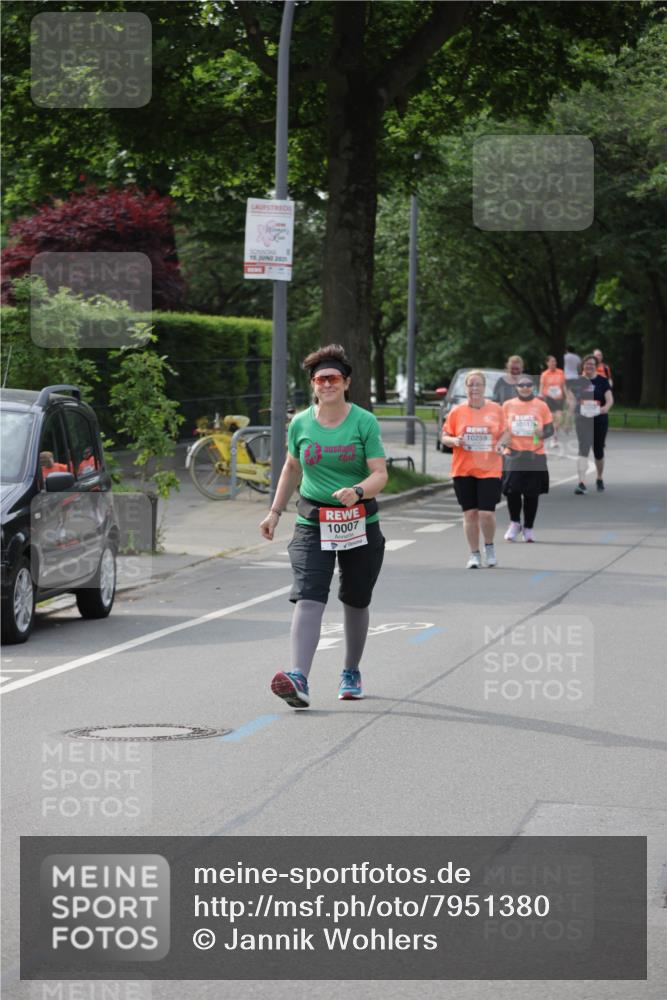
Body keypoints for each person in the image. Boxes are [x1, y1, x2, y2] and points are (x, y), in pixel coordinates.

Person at [259, 344, 388, 708]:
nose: (326, 385)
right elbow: (291, 467)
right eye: (320, 379)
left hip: (359, 520)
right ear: (313, 385)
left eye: (333, 378)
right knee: (309, 592)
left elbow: (381, 473)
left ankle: (351, 670)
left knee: (355, 599)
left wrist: (359, 490)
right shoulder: (301, 423)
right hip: (313, 520)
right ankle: (298, 676)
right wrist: (274, 512)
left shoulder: (364, 422)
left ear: (346, 383)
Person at [441, 370, 505, 568]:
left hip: (490, 468)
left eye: (478, 384)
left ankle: (489, 546)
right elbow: (444, 437)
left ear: (485, 388)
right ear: (466, 388)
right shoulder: (457, 412)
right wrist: (455, 440)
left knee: (486, 513)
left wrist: (502, 443)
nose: (474, 388)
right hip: (463, 469)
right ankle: (474, 554)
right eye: (471, 385)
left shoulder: (496, 409)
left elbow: (507, 433)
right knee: (470, 514)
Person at [498, 376, 554, 542]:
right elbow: (500, 428)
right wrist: (502, 439)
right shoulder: (508, 405)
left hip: (535, 453)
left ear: (533, 387)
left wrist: (542, 433)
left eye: (528, 385)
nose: (525, 387)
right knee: (512, 490)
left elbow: (550, 429)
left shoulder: (541, 405)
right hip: (513, 453)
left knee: (532, 493)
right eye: (521, 385)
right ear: (516, 387)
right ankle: (515, 523)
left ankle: (528, 528)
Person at [567, 354, 614, 494]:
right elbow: (571, 401)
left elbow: (610, 400)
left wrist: (606, 408)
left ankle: (599, 478)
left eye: (592, 364)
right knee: (583, 450)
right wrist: (569, 417)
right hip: (583, 420)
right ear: (583, 366)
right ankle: (581, 482)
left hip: (599, 419)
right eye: (587, 364)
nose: (589, 366)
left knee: (598, 450)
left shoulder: (602, 381)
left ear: (596, 366)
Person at [538, 356, 566, 440]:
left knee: (560, 418)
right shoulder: (544, 374)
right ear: (547, 363)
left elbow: (564, 385)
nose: (554, 363)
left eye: (555, 361)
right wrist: (540, 396)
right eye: (552, 361)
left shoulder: (560, 372)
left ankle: (553, 432)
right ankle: (554, 436)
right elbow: (541, 386)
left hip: (559, 399)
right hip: (549, 398)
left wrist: (567, 396)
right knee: (552, 418)